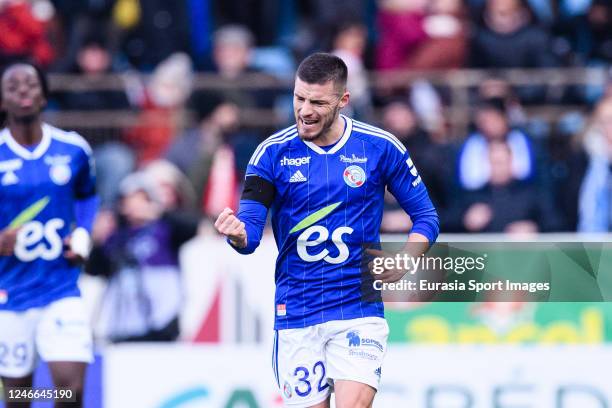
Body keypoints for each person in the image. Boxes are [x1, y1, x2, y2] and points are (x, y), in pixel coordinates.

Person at [214, 53, 439, 408]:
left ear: (343, 101)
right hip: (297, 312)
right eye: (299, 98)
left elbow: (426, 216)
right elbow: (251, 233)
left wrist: (406, 259)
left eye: (318, 102)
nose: (305, 110)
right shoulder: (270, 154)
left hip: (357, 308)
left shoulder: (379, 147)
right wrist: (238, 234)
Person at [0, 63, 98, 408]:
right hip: (9, 295)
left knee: (69, 394)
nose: (23, 91)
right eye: (13, 86)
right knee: (17, 398)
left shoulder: (73, 149)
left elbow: (88, 196)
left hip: (60, 289)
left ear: (44, 94)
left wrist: (84, 233)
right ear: (2, 100)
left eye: (30, 84)